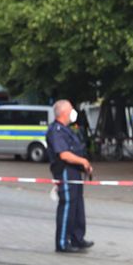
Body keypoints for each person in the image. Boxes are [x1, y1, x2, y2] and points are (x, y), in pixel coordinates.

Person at [47, 99, 93, 253]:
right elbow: (64, 154)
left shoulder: (66, 129)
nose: (74, 112)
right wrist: (83, 161)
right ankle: (62, 242)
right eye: (72, 109)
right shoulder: (56, 131)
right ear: (64, 112)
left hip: (74, 171)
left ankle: (77, 238)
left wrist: (84, 164)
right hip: (65, 172)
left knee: (77, 206)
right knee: (67, 205)